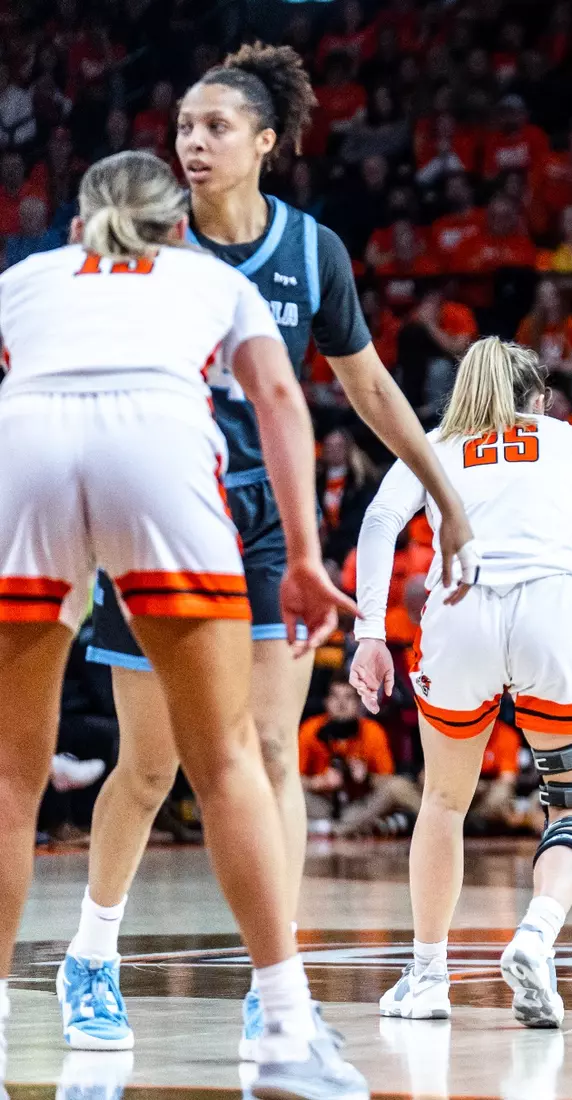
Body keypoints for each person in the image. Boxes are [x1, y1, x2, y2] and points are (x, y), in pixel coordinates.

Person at [64, 45, 479, 1061]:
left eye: (213, 127)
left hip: (266, 523)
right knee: (153, 764)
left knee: (266, 752)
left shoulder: (313, 250)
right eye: (182, 127)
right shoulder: (145, 244)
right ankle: (93, 953)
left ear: (266, 142)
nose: (190, 142)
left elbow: (370, 387)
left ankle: (275, 987)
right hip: (160, 513)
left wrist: (444, 489)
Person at [0, 150, 362, 1091]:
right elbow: (282, 400)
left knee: (8, 774)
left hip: (26, 440)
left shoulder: (25, 275)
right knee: (229, 755)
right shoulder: (207, 275)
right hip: (157, 443)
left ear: (80, 224)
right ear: (173, 226)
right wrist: (308, 558)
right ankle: (284, 1024)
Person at [348, 337, 572, 1029]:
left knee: (445, 802)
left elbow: (378, 521)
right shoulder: (568, 439)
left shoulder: (436, 442)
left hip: (462, 612)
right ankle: (537, 934)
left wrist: (371, 630)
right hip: (555, 611)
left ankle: (427, 975)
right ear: (538, 399)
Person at [297, 677, 397, 833]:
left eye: (348, 697)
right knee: (286, 792)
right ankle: (348, 829)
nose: (341, 704)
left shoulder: (373, 731)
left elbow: (388, 780)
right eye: (335, 697)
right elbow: (291, 780)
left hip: (357, 806)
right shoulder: (310, 729)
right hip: (322, 805)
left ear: (359, 703)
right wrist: (316, 783)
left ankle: (331, 829)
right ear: (326, 702)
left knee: (398, 788)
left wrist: (367, 777)